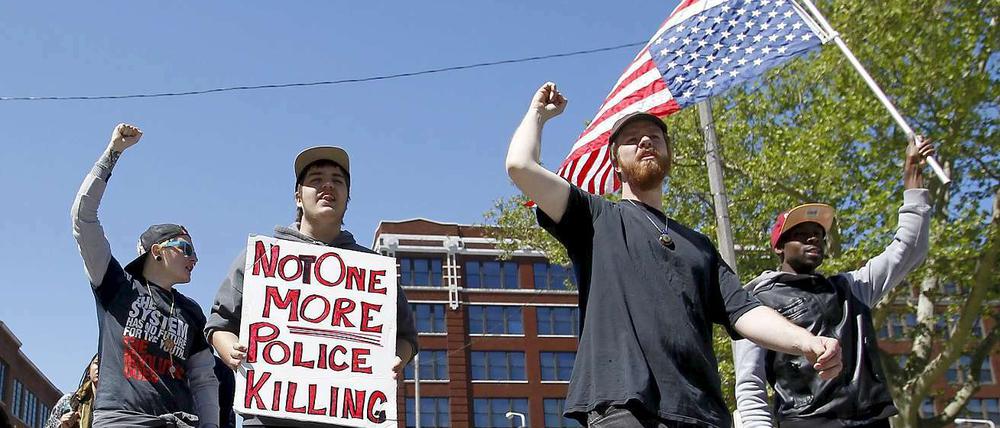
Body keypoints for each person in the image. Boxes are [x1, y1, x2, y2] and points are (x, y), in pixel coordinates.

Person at [505, 82, 843, 428]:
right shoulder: (595, 219)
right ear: (616, 165)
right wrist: (538, 115)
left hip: (703, 414)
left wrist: (806, 341)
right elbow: (520, 166)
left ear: (669, 155)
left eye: (655, 136)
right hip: (627, 408)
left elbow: (745, 312)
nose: (646, 141)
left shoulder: (699, 246)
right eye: (632, 139)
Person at [205, 145, 419, 428]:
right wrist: (231, 351)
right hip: (269, 419)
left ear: (348, 197)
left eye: (338, 181)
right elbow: (219, 325)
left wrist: (396, 359)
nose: (328, 185)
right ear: (298, 196)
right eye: (316, 179)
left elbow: (406, 338)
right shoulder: (261, 258)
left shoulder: (374, 269)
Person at [733, 138, 935, 428]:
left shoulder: (851, 289)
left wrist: (913, 173)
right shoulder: (755, 303)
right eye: (801, 233)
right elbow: (750, 386)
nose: (813, 237)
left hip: (871, 420)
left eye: (818, 233)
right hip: (807, 423)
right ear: (779, 247)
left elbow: (909, 249)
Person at [71, 123, 219, 428]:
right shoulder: (115, 285)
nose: (195, 258)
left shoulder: (192, 312)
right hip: (121, 420)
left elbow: (204, 379)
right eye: (186, 248)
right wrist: (113, 153)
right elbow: (83, 218)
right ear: (156, 251)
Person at [46, 356, 99, 428]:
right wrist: (63, 426)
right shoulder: (68, 401)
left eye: (104, 365)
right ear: (89, 370)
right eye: (96, 363)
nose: (99, 368)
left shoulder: (117, 404)